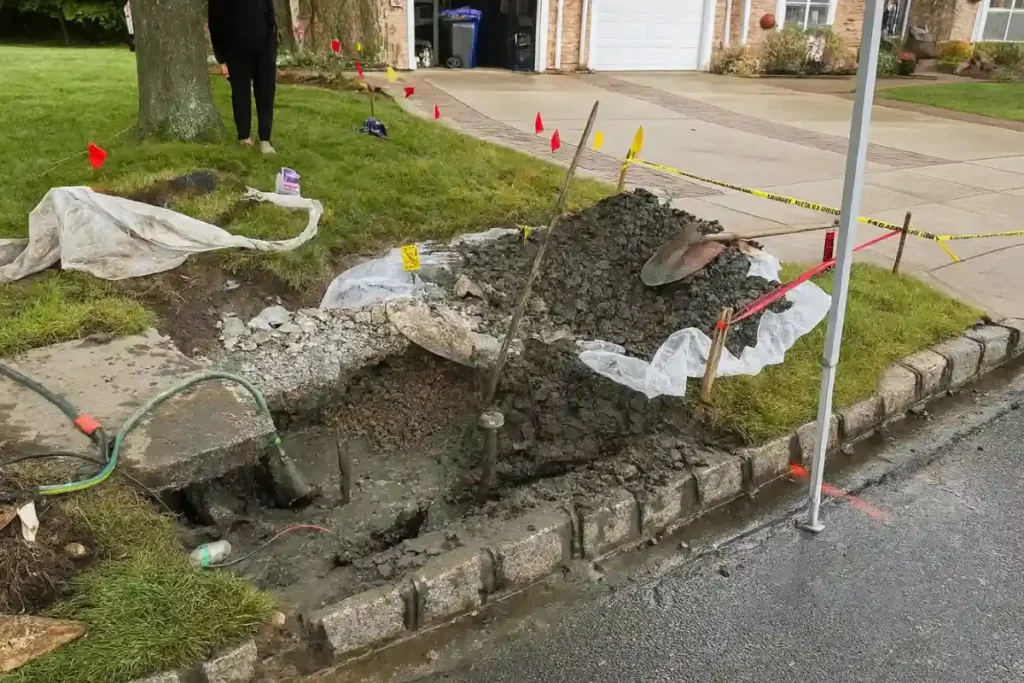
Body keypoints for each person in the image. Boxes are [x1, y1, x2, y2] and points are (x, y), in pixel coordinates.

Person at [208, 0, 279, 154]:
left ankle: (265, 140)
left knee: (266, 92)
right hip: (235, 49)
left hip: (264, 48)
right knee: (241, 92)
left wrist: (272, 43)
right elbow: (215, 22)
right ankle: (244, 137)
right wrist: (221, 58)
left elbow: (269, 12)